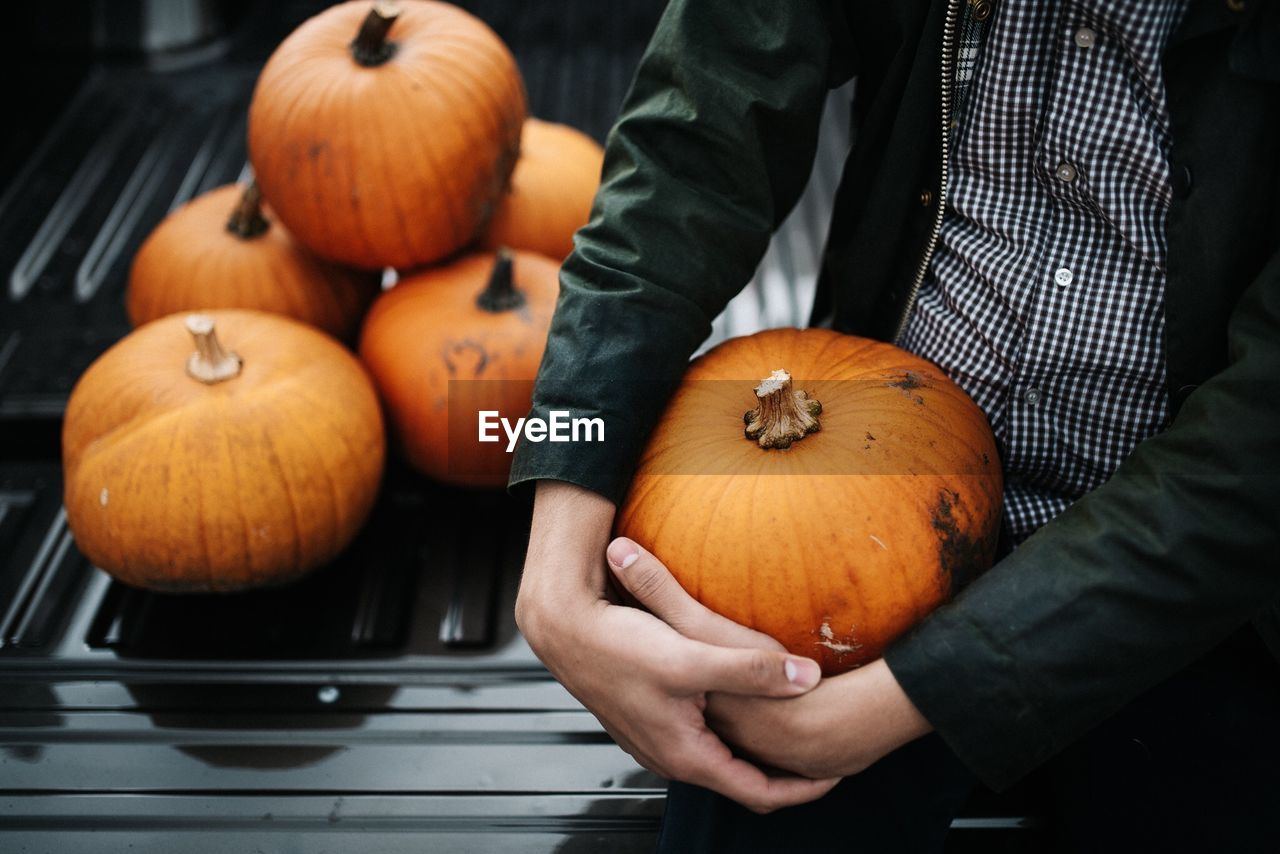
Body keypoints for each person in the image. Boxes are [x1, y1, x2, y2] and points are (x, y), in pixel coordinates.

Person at [510, 0, 1280, 849]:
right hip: (847, 552)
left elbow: (1257, 452)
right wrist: (558, 552)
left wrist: (905, 699)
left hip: (1201, 573)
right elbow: (684, 153)